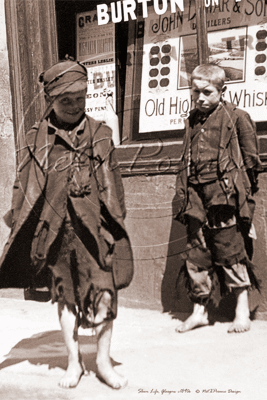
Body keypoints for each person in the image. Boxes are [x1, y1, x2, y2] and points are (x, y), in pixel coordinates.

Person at [0, 59, 133, 389]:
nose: (74, 106)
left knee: (105, 295)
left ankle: (102, 361)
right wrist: (18, 223)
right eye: (65, 101)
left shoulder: (101, 133)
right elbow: (23, 184)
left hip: (95, 232)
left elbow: (113, 183)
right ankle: (74, 362)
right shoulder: (35, 138)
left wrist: (115, 223)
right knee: (66, 298)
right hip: (56, 233)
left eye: (80, 98)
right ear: (51, 100)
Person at [174, 64, 262, 334]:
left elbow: (251, 161)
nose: (200, 98)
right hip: (196, 197)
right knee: (196, 251)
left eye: (207, 92)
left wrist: (242, 197)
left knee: (230, 248)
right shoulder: (192, 120)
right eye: (195, 92)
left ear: (222, 91)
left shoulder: (236, 117)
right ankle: (199, 310)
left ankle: (241, 309)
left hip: (224, 196)